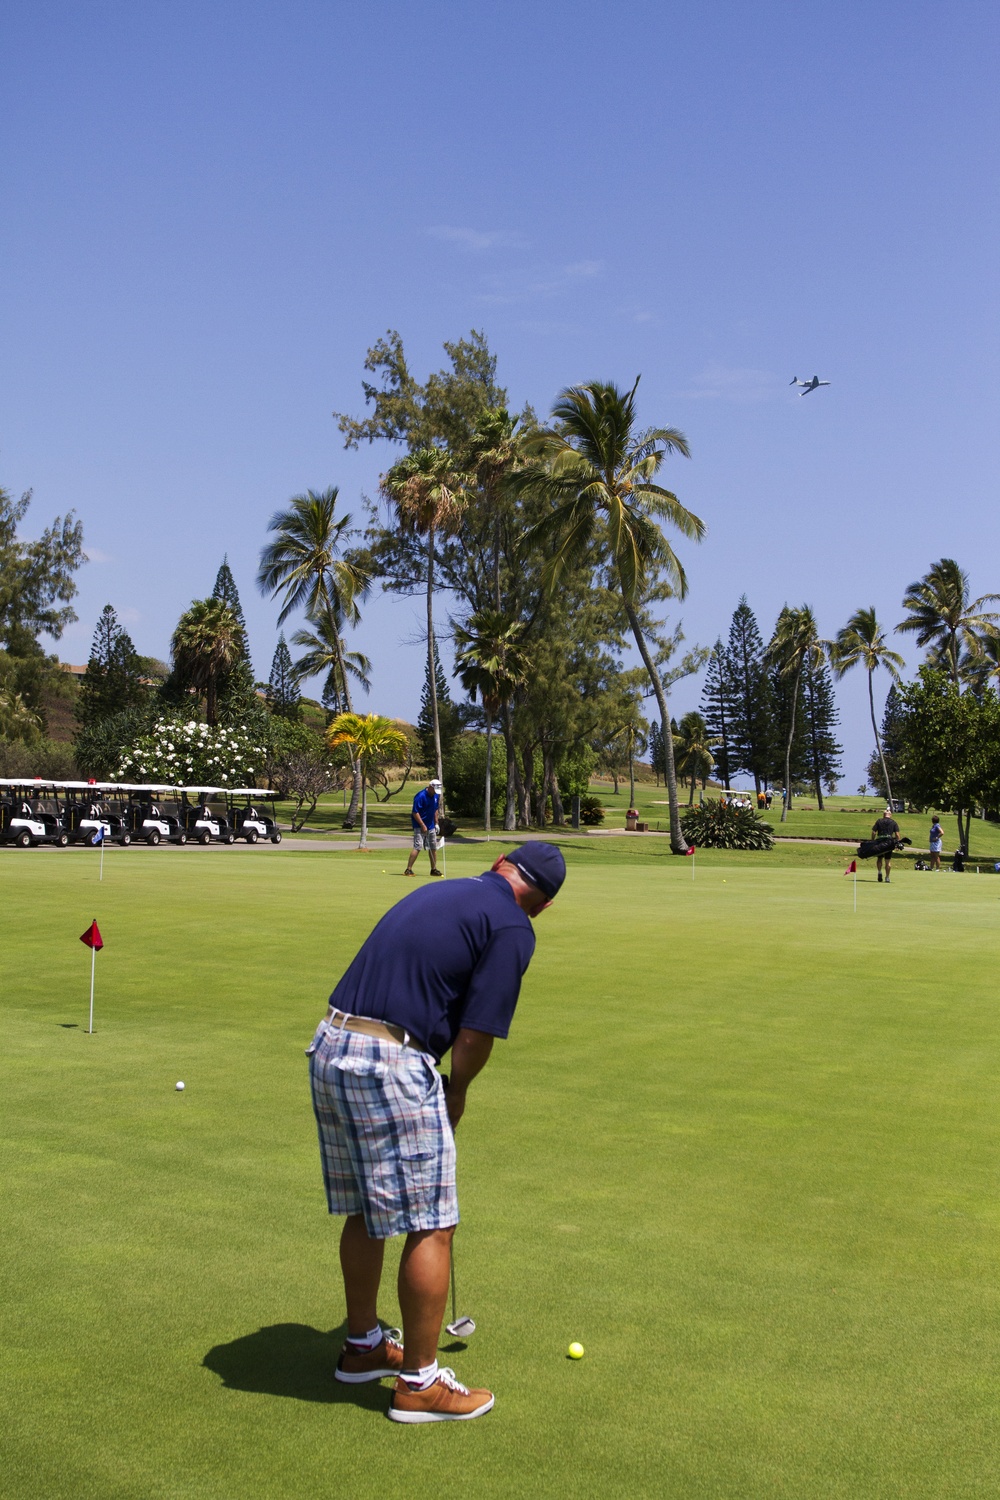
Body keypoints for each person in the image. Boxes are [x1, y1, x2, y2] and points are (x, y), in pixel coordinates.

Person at [306, 842, 567, 1423]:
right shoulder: (512, 926)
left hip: (330, 1044)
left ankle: (363, 1346)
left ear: (500, 862)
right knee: (431, 1221)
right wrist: (458, 1089)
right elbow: (475, 1036)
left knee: (367, 1209)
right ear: (542, 906)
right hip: (390, 1060)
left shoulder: (437, 888)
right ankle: (420, 1384)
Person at [405, 777, 443, 877]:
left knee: (433, 847)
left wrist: (436, 823)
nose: (436, 792)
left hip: (430, 825)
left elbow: (435, 810)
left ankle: (433, 869)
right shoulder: (420, 796)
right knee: (418, 846)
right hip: (419, 825)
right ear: (430, 787)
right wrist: (422, 825)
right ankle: (408, 869)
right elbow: (415, 812)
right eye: (434, 790)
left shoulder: (436, 796)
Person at [872, 806, 900, 883]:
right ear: (890, 815)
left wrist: (872, 841)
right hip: (889, 843)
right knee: (888, 860)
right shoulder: (893, 822)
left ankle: (879, 872)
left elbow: (874, 832)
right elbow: (897, 834)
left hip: (880, 842)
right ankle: (887, 877)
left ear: (883, 815)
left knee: (879, 858)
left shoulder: (879, 821)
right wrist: (898, 843)